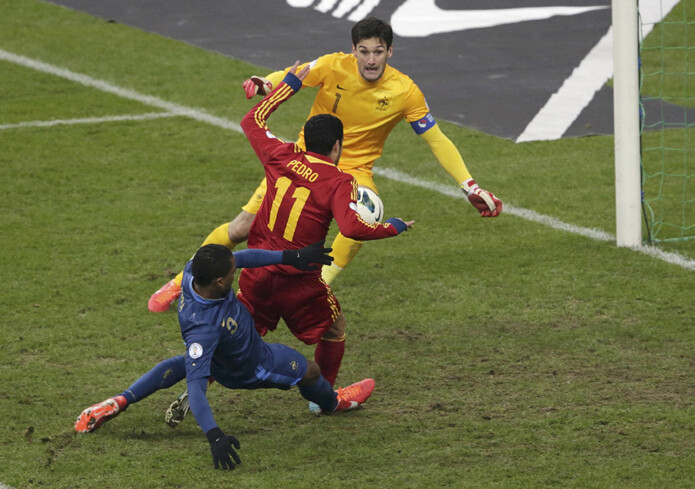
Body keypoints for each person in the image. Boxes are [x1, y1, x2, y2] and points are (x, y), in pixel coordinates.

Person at [148, 16, 501, 313]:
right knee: (242, 229)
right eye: (364, 51)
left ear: (390, 52)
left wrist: (469, 185)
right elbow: (295, 74)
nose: (371, 60)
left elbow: (436, 138)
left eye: (378, 51)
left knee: (366, 216)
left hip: (353, 171)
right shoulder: (333, 66)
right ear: (354, 51)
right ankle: (181, 282)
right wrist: (266, 82)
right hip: (302, 162)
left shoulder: (405, 92)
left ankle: (317, 287)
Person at [162, 61, 413, 427]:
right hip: (300, 282)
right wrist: (392, 227)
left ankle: (195, 388)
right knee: (334, 327)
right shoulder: (339, 181)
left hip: (257, 272)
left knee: (240, 335)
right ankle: (324, 399)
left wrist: (291, 83)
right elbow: (353, 228)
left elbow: (252, 121)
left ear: (305, 141)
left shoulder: (280, 154)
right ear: (338, 147)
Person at [75, 243, 376, 470]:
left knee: (181, 365)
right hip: (253, 365)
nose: (236, 271)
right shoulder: (203, 329)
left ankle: (119, 401)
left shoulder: (197, 269)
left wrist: (290, 257)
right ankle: (333, 403)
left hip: (225, 348)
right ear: (219, 281)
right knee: (309, 371)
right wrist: (215, 436)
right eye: (231, 274)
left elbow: (242, 258)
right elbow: (194, 385)